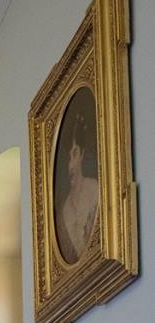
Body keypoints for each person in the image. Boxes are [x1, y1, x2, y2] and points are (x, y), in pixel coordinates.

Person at [56, 109, 99, 263]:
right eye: (68, 158)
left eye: (74, 153)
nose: (70, 165)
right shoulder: (63, 214)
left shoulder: (96, 191)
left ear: (82, 154)